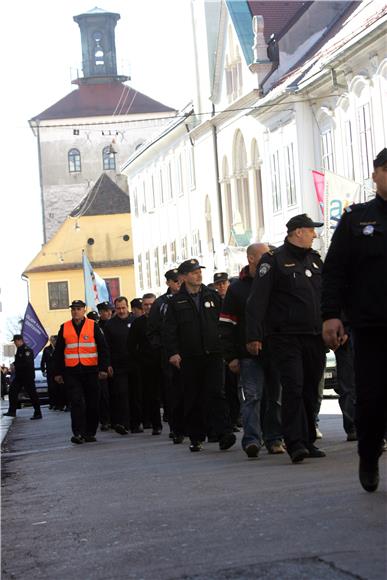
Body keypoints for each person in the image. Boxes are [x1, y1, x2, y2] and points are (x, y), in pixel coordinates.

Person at [322, 147, 387, 493]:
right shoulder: (356, 219)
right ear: (375, 174)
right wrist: (331, 316)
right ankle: (368, 453)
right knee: (374, 398)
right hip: (373, 326)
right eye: (386, 171)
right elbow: (334, 272)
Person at [246, 214, 326, 464]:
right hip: (285, 336)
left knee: (312, 388)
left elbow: (325, 296)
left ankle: (308, 438)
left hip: (313, 335)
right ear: (298, 232)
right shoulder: (273, 261)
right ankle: (295, 442)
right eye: (312, 230)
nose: (315, 234)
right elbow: (257, 301)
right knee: (294, 386)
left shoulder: (314, 260)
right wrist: (253, 335)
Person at [164, 258, 236, 452]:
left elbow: (224, 322)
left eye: (199, 271)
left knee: (216, 393)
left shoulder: (212, 295)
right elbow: (169, 330)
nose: (199, 274)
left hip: (213, 353)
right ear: (184, 277)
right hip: (190, 356)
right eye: (194, 272)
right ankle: (196, 436)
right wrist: (173, 353)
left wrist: (227, 348)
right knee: (193, 396)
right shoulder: (176, 301)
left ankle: (223, 433)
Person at [220, 243, 284, 458]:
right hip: (248, 354)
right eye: (264, 255)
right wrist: (231, 356)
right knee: (253, 398)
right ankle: (252, 440)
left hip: (274, 350)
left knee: (275, 398)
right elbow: (227, 324)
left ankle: (274, 439)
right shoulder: (237, 288)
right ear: (251, 259)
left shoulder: (276, 282)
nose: (269, 259)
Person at [53, 300, 109, 444]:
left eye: (78, 309)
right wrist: (57, 373)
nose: (75, 311)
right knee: (76, 402)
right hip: (72, 372)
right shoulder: (64, 327)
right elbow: (58, 352)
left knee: (92, 402)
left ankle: (90, 432)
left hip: (91, 370)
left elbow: (103, 348)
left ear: (84, 310)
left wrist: (103, 368)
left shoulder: (93, 326)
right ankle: (77, 433)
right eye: (73, 309)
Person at [147, 269, 185, 442]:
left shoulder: (190, 297)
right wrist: (162, 348)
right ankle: (176, 428)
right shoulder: (161, 303)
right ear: (168, 283)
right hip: (169, 354)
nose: (178, 284)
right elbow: (152, 330)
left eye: (180, 280)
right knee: (172, 392)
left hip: (191, 352)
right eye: (175, 281)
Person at [103, 296, 141, 435]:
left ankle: (136, 423)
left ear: (127, 307)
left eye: (123, 307)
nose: (121, 310)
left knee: (135, 394)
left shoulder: (135, 321)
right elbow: (106, 347)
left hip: (135, 364)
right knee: (122, 394)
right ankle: (124, 424)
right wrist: (107, 364)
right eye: (118, 308)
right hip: (119, 366)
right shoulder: (110, 325)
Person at [128, 293, 163, 435]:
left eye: (151, 304)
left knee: (171, 396)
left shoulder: (164, 319)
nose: (149, 307)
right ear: (142, 307)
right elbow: (130, 346)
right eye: (146, 305)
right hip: (146, 365)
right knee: (151, 396)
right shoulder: (137, 323)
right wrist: (140, 360)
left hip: (165, 362)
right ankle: (156, 425)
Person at [3, 335, 42, 420]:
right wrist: (13, 364)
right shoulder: (19, 350)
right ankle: (12, 411)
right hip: (19, 377)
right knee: (12, 391)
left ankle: (38, 413)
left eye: (15, 341)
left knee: (32, 394)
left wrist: (16, 365)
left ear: (20, 340)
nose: (15, 343)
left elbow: (27, 363)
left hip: (27, 376)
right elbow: (19, 361)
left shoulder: (27, 350)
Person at [96, 301, 114, 430]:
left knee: (117, 393)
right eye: (105, 311)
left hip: (116, 362)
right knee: (103, 394)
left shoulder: (115, 324)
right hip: (102, 364)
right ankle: (105, 420)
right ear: (100, 313)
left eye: (109, 310)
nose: (108, 313)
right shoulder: (96, 327)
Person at [41, 335, 58, 410]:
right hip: (50, 371)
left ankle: (59, 404)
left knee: (58, 388)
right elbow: (43, 360)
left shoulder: (59, 348)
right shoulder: (47, 349)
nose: (52, 341)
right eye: (51, 340)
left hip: (58, 371)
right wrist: (43, 370)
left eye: (54, 340)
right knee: (51, 388)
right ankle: (52, 404)